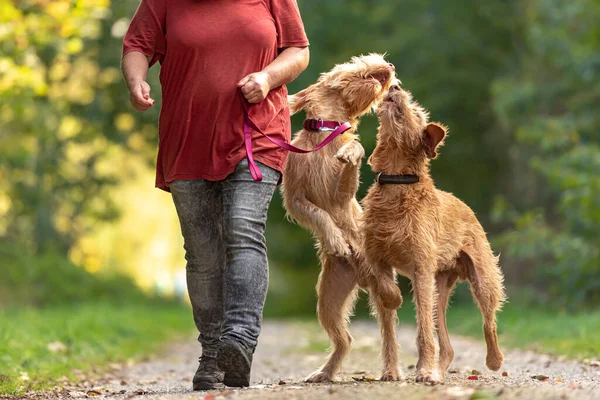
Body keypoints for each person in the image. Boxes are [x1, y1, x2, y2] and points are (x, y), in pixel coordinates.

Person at [121, 0, 309, 390]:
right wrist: (136, 80)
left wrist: (268, 77)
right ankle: (212, 355)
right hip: (187, 137)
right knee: (202, 252)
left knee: (243, 230)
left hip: (255, 132)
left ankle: (238, 340)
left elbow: (298, 50)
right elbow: (137, 45)